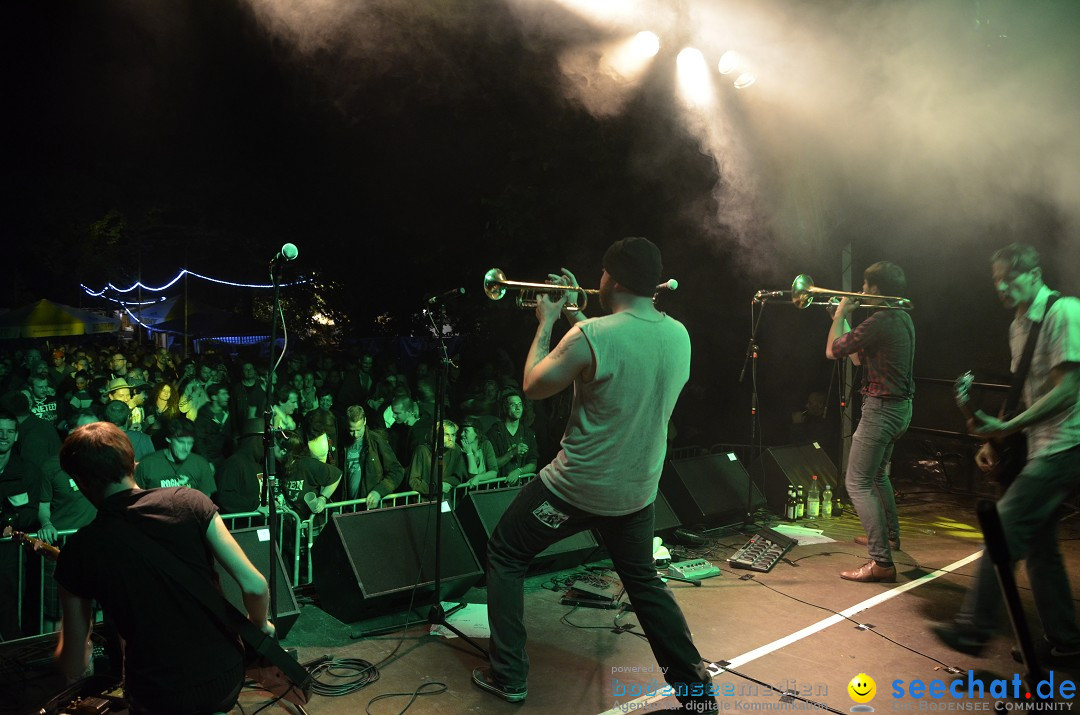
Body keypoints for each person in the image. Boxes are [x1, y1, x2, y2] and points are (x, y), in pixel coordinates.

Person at [473, 237, 715, 711]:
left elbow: (534, 384)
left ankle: (509, 676)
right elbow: (615, 354)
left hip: (574, 487)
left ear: (615, 280)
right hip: (637, 492)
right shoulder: (679, 335)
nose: (597, 281)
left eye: (602, 273)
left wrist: (546, 323)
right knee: (644, 584)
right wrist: (571, 316)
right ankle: (698, 695)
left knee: (505, 552)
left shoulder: (593, 336)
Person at [53, 422, 272, 714]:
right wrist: (260, 625)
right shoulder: (190, 502)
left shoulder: (78, 551)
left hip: (157, 692)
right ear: (133, 463)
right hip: (224, 676)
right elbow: (255, 586)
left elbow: (73, 662)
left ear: (79, 481)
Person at [933, 243, 1080, 662]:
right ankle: (1067, 642)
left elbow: (1069, 390)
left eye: (1009, 277)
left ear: (1034, 274)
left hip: (1069, 442)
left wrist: (1009, 428)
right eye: (996, 278)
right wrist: (992, 439)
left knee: (1005, 525)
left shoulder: (1064, 311)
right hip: (1041, 446)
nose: (1000, 285)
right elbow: (1021, 395)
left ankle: (973, 629)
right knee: (1041, 546)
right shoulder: (1018, 325)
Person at [825, 261, 914, 583]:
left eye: (863, 287)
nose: (860, 293)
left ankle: (881, 562)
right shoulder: (902, 317)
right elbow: (857, 356)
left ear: (876, 289)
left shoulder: (880, 320)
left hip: (881, 410)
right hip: (900, 409)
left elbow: (833, 351)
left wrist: (839, 316)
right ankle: (889, 538)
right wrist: (843, 318)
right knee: (877, 475)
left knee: (857, 483)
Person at [486, 390, 538, 485]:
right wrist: (512, 452)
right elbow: (493, 464)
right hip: (499, 486)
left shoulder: (528, 433)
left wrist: (519, 471)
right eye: (513, 405)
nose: (518, 408)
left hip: (520, 487)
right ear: (505, 408)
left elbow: (533, 464)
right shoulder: (495, 432)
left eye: (520, 404)